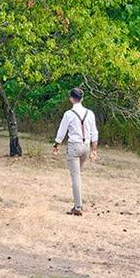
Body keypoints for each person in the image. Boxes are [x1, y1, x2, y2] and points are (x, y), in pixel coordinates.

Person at [52, 87, 99, 216]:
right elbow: (94, 132)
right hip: (86, 146)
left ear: (71, 99)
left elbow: (62, 131)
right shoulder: (90, 113)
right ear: (82, 98)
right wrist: (94, 150)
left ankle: (78, 206)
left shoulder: (69, 114)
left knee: (75, 177)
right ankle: (77, 204)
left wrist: (56, 144)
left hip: (74, 146)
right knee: (78, 174)